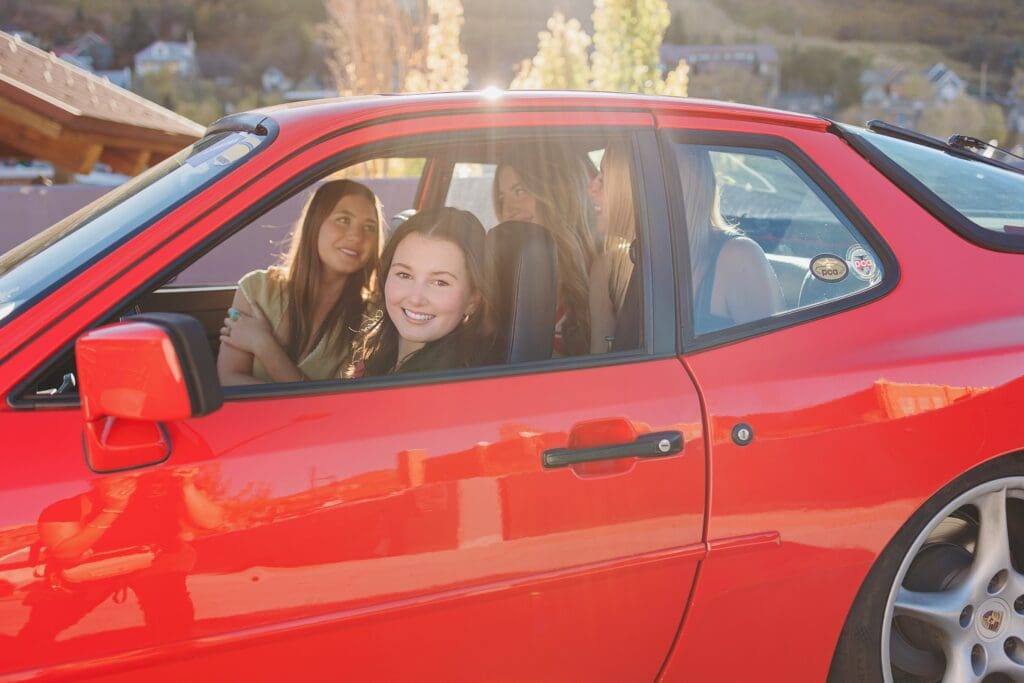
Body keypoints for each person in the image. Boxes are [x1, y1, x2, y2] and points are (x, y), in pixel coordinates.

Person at [217, 180, 382, 385]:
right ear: (315, 223)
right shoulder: (256, 289)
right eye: (343, 220)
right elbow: (228, 381)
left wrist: (264, 345)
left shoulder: (372, 316)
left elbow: (329, 406)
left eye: (369, 227)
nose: (357, 236)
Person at [352, 208, 491, 376]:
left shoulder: (455, 386)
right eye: (404, 275)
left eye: (440, 282)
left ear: (473, 300)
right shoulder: (374, 358)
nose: (416, 298)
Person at [493, 145, 595, 356]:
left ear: (557, 193)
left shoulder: (599, 272)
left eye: (520, 192)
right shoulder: (504, 270)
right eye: (503, 198)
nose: (508, 210)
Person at [676, 146, 784, 333]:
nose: (604, 191)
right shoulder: (629, 255)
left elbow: (775, 355)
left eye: (606, 179)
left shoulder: (738, 257)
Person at [587, 140, 638, 353]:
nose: (591, 189)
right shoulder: (607, 269)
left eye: (604, 179)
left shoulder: (735, 256)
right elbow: (599, 366)